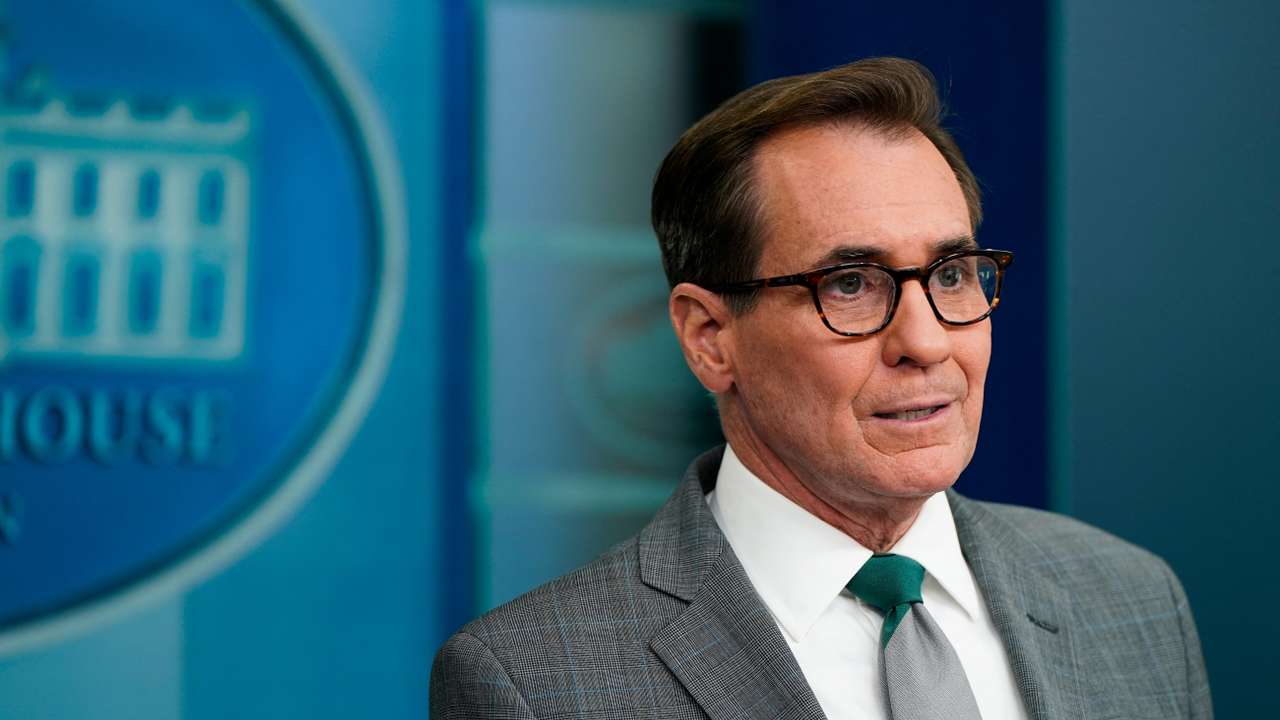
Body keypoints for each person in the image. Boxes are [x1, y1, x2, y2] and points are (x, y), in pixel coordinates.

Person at [431, 57, 1212, 720]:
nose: (926, 341)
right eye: (850, 285)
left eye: (950, 274)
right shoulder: (535, 685)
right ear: (710, 337)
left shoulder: (1132, 601)